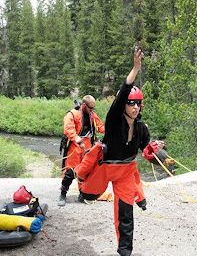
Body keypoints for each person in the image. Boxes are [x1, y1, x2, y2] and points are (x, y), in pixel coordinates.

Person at [74, 49, 164, 256]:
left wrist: (153, 150)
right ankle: (75, 183)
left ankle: (125, 251)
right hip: (105, 168)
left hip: (124, 173)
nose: (134, 107)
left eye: (138, 103)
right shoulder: (114, 121)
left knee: (125, 214)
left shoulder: (142, 128)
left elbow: (145, 152)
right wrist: (136, 68)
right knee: (88, 193)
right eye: (131, 103)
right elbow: (123, 92)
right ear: (123, 104)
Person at [57, 95, 105, 206]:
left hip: (87, 146)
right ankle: (63, 194)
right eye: (90, 108)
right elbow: (68, 129)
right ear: (84, 105)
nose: (92, 110)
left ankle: (82, 194)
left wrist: (111, 132)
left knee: (85, 171)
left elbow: (100, 126)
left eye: (93, 108)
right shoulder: (72, 114)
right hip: (74, 146)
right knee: (70, 171)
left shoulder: (92, 114)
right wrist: (79, 141)